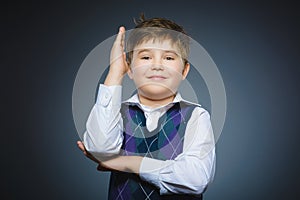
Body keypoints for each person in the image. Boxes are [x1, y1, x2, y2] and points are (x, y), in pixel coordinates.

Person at [77, 14, 216, 200]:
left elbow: (195, 179)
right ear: (130, 69)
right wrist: (115, 74)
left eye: (168, 58)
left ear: (184, 70)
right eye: (146, 57)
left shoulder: (196, 116)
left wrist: (126, 163)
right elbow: (100, 150)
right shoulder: (116, 113)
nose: (157, 65)